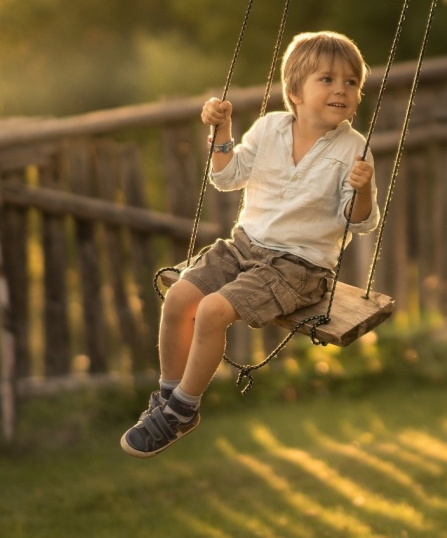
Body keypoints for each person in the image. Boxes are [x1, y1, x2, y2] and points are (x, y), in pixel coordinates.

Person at [120, 31, 380, 458]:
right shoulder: (269, 128)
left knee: (211, 311)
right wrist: (221, 129)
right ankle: (168, 398)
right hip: (243, 246)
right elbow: (225, 177)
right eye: (328, 79)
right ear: (294, 92)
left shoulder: (354, 150)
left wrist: (364, 190)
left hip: (299, 267)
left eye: (351, 82)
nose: (341, 89)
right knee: (178, 297)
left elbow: (360, 223)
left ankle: (185, 408)